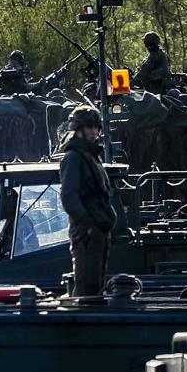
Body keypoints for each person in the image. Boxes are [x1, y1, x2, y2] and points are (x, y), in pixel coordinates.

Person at [58, 106, 119, 304]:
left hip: (98, 229)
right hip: (86, 232)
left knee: (96, 285)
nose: (94, 131)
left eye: (96, 127)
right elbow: (69, 197)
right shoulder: (74, 157)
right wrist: (88, 224)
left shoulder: (91, 155)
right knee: (87, 288)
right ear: (78, 130)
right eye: (89, 127)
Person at [137, 32, 172, 96]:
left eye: (148, 44)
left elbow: (143, 71)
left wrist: (130, 83)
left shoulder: (155, 56)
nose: (147, 47)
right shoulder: (160, 54)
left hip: (157, 91)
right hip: (158, 89)